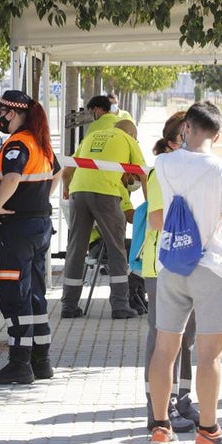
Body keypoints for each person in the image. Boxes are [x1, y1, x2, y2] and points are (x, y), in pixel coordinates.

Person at [146, 102, 222, 444]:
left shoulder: (163, 163)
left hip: (172, 264)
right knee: (209, 355)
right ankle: (208, 432)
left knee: (165, 349)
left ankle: (160, 427)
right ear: (217, 135)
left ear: (186, 128)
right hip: (213, 267)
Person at [0, 90, 60, 384]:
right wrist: (39, 201)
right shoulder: (40, 143)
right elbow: (57, 174)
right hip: (39, 225)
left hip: (16, 231)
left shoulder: (17, 144)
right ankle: (42, 361)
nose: (0, 118)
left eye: (2, 112)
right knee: (36, 294)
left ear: (11, 113)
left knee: (15, 297)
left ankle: (19, 364)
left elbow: (13, 177)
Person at [138, 111, 201, 434]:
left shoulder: (186, 170)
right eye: (191, 138)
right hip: (162, 265)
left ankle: (182, 398)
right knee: (163, 338)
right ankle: (158, 409)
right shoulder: (161, 171)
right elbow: (157, 219)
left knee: (186, 338)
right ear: (176, 141)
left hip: (185, 263)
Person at [60, 107, 145, 319]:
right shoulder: (128, 139)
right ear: (133, 135)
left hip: (78, 192)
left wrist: (67, 188)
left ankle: (69, 306)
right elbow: (143, 174)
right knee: (117, 250)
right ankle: (120, 306)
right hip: (105, 193)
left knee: (75, 249)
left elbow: (68, 169)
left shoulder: (92, 136)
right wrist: (151, 203)